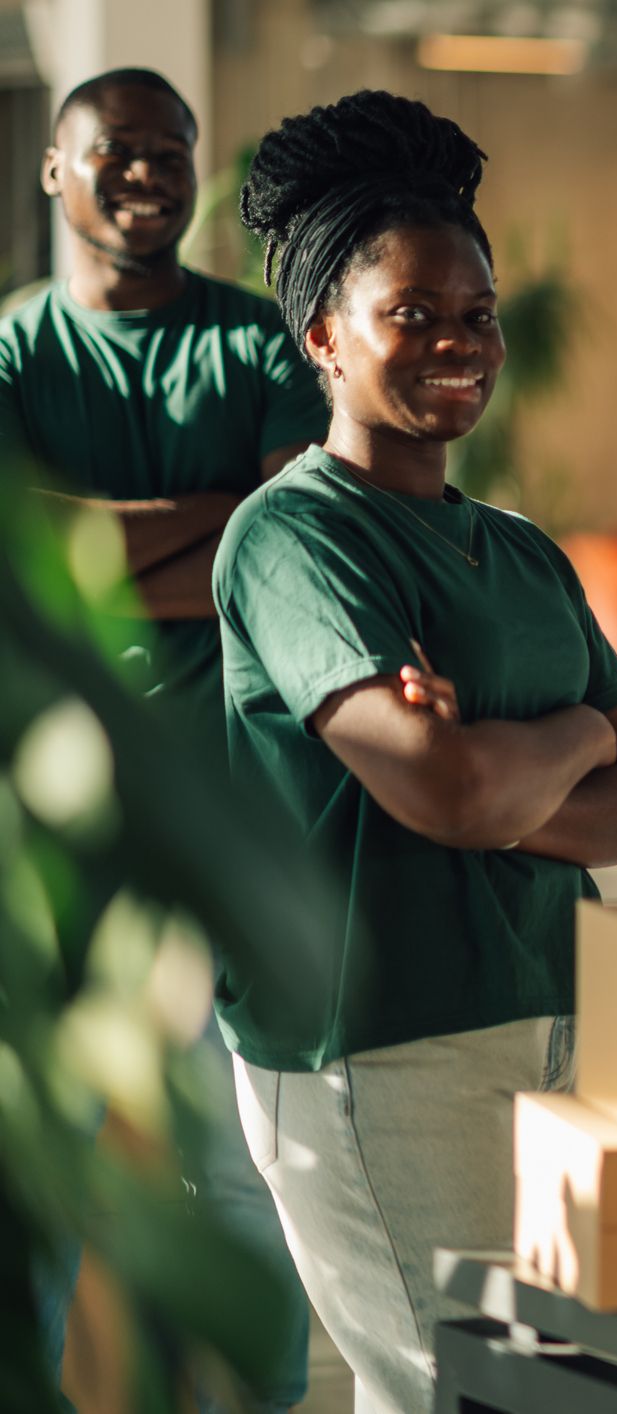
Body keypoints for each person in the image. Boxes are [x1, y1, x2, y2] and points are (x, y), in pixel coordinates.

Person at [217, 90, 617, 1413]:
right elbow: (448, 787)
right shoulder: (295, 537)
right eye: (412, 313)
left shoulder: (521, 551)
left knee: (511, 1386)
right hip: (376, 1040)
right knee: (470, 1392)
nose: (458, 343)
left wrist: (516, 757)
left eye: (477, 313)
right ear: (323, 334)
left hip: (557, 1011)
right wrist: (552, 750)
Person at [5, 67, 320, 1411]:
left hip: (238, 808)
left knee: (247, 1164)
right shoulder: (14, 348)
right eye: (116, 150)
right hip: (54, 825)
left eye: (171, 150)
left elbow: (291, 549)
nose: (147, 173)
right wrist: (220, 517)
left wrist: (82, 540)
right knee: (50, 1162)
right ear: (55, 171)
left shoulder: (259, 344)